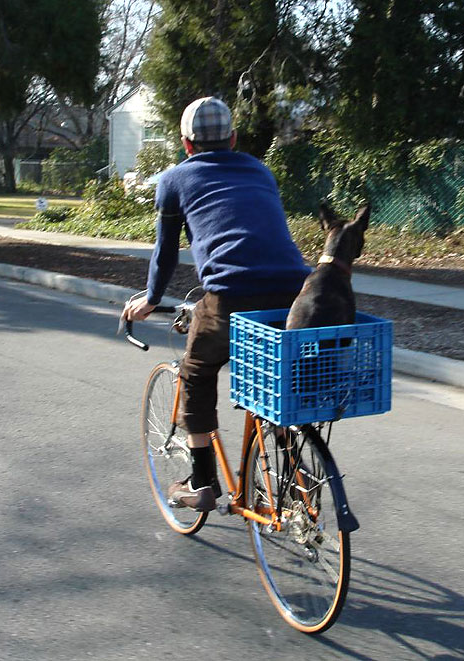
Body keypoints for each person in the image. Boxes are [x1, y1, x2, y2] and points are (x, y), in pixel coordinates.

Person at [122, 97, 310, 511]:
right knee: (272, 380)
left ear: (186, 144)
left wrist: (151, 299)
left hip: (229, 295)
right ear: (233, 139)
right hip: (297, 292)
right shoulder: (261, 170)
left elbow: (166, 252)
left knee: (196, 372)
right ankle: (294, 475)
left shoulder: (173, 180)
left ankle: (203, 482)